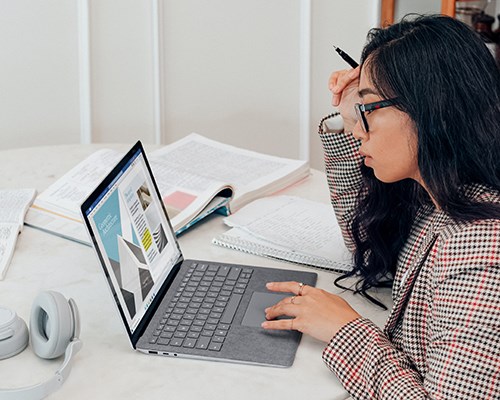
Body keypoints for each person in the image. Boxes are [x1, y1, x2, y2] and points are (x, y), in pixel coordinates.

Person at [262, 14, 500, 399]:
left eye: (369, 109)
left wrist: (347, 331)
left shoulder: (482, 249)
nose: (358, 129)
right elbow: (371, 246)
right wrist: (349, 113)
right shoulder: (444, 195)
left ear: (430, 110)